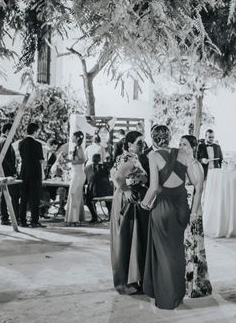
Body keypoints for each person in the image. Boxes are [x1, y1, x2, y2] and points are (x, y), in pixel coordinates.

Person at [141, 125, 200, 310]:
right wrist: (194, 211)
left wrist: (143, 205)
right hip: (182, 207)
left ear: (153, 139)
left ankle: (167, 297)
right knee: (176, 251)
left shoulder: (153, 156)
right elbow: (195, 183)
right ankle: (178, 294)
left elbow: (154, 187)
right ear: (169, 137)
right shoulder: (182, 154)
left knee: (164, 254)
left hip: (164, 208)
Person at [110, 130, 149, 295]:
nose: (143, 145)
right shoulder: (130, 159)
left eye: (143, 142)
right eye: (139, 142)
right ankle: (128, 281)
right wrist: (126, 190)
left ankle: (129, 279)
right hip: (128, 201)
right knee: (128, 239)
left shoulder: (125, 156)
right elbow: (118, 177)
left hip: (125, 199)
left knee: (129, 239)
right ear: (129, 145)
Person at [179, 135, 213, 298]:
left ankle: (197, 286)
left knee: (195, 247)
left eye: (185, 144)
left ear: (193, 147)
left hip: (193, 211)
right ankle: (186, 284)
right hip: (183, 209)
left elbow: (199, 190)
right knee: (186, 248)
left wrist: (193, 212)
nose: (181, 147)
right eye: (180, 144)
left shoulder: (195, 165)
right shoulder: (182, 164)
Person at [18, 122, 46, 228]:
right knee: (35, 198)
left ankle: (22, 220)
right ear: (35, 131)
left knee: (24, 197)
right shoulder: (38, 144)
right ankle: (34, 220)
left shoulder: (21, 143)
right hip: (35, 173)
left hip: (24, 172)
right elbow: (41, 160)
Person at [0, 123, 19, 226]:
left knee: (2, 195)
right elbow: (9, 160)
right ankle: (10, 217)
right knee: (11, 195)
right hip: (6, 172)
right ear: (8, 131)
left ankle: (2, 215)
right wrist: (14, 172)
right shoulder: (6, 142)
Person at [65, 131, 87, 225]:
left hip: (78, 174)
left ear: (77, 138)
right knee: (75, 195)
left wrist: (71, 161)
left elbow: (82, 160)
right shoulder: (76, 148)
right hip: (75, 173)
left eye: (73, 136)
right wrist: (68, 161)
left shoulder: (79, 148)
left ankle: (74, 219)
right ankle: (75, 218)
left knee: (74, 194)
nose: (72, 138)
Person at [84, 153, 111, 224]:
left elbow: (86, 181)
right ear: (99, 160)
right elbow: (108, 176)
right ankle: (110, 215)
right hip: (104, 192)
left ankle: (94, 216)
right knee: (109, 199)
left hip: (92, 193)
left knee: (88, 201)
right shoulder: (104, 167)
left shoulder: (87, 168)